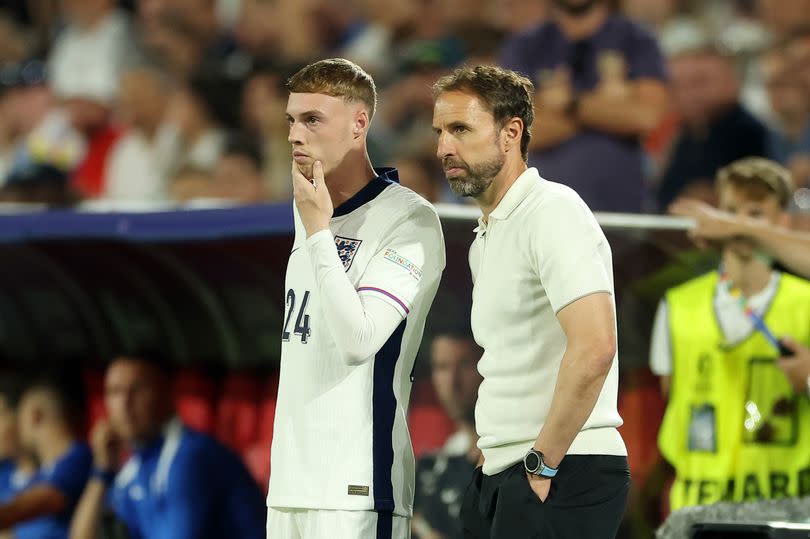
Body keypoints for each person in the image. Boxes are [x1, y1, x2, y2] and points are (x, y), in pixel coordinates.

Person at [432, 65, 628, 539]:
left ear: (510, 132)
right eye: (439, 131)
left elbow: (596, 347)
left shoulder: (553, 211)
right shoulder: (488, 234)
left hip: (563, 467)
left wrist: (541, 462)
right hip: (506, 468)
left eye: (460, 129)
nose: (443, 147)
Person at [266, 58, 445, 539]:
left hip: (358, 491)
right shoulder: (308, 204)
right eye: (291, 120)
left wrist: (320, 232)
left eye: (312, 120)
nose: (294, 135)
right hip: (287, 488)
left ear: (359, 124)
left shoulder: (410, 221)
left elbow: (358, 340)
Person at [654, 157, 810, 510]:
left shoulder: (806, 304)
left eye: (754, 214)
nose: (736, 225)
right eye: (729, 212)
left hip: (784, 506)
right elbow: (671, 403)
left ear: (783, 221)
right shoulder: (678, 305)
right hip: (699, 505)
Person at [69, 354, 266, 539]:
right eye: (114, 391)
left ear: (167, 393)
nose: (124, 403)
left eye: (137, 390)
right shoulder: (135, 465)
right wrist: (102, 470)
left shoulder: (192, 455)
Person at [498, 0, 669, 213]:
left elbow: (647, 117)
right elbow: (519, 134)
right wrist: (610, 109)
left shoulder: (638, 39)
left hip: (621, 211)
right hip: (542, 211)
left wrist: (570, 104)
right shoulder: (525, 45)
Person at [0, 374, 92, 539]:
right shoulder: (41, 473)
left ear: (35, 415)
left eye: (19, 414)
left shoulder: (78, 456)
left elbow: (45, 501)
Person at [412, 330, 483, 539]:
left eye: (464, 365)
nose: (453, 381)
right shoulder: (429, 468)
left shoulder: (514, 460)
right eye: (442, 367)